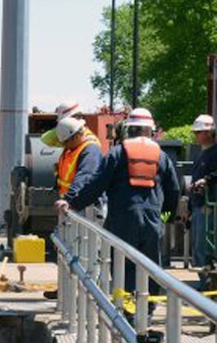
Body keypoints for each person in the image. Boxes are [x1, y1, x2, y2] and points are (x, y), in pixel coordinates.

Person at [57, 107, 180, 297]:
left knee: (123, 265)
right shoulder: (161, 157)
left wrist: (72, 203)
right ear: (150, 131)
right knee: (151, 266)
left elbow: (96, 184)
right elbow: (174, 190)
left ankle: (127, 312)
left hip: (122, 220)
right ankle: (147, 309)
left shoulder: (117, 153)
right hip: (152, 221)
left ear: (128, 129)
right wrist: (167, 216)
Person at [187, 114, 217, 289]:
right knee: (199, 247)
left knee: (205, 247)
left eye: (199, 132)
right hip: (199, 206)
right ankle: (205, 282)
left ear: (210, 132)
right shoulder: (202, 155)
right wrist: (189, 210)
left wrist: (207, 180)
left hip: (209, 207)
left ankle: (207, 284)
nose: (196, 136)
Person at [53, 116, 103, 206]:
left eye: (66, 142)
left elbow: (84, 176)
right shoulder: (72, 149)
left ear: (75, 137)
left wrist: (68, 198)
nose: (65, 145)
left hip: (87, 205)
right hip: (74, 203)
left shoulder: (90, 151)